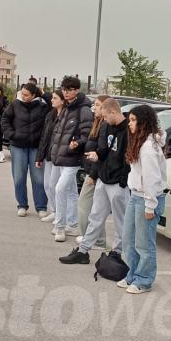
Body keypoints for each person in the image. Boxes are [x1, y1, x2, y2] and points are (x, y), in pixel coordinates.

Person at [60, 98, 130, 263]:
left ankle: (117, 253)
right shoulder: (106, 126)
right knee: (95, 216)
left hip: (118, 183)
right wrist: (97, 157)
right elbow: (104, 150)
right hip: (104, 179)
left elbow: (128, 159)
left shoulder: (128, 130)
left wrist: (122, 182)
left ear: (113, 112)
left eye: (106, 116)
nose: (104, 120)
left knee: (120, 221)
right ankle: (83, 251)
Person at [118, 105, 167, 294]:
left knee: (144, 243)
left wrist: (150, 205)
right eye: (129, 120)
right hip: (136, 196)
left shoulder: (148, 147)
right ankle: (133, 274)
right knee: (128, 239)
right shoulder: (140, 143)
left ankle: (144, 280)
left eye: (132, 120)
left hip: (147, 199)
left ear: (143, 122)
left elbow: (152, 179)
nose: (129, 124)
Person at [48, 76, 93, 239]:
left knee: (60, 189)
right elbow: (58, 132)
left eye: (69, 90)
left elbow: (87, 134)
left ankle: (60, 226)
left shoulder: (84, 110)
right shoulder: (67, 108)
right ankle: (73, 224)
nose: (65, 93)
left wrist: (77, 143)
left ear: (76, 90)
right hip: (60, 156)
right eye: (64, 89)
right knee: (71, 191)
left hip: (72, 158)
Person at [1, 82, 50, 217]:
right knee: (19, 177)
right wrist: (12, 135)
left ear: (34, 95)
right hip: (18, 147)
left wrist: (44, 93)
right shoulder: (15, 105)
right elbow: (5, 119)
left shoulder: (43, 106)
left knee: (39, 179)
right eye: (22, 93)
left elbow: (54, 104)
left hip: (36, 148)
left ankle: (41, 207)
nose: (23, 96)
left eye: (26, 94)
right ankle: (22, 205)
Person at [76, 94, 110, 247]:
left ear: (105, 108)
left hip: (95, 174)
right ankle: (97, 240)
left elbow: (101, 153)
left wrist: (93, 175)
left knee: (85, 206)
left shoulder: (104, 126)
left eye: (97, 105)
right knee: (94, 209)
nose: (94, 108)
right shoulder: (98, 123)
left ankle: (93, 239)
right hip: (92, 171)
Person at [37, 90, 66, 223]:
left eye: (55, 98)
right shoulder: (50, 114)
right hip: (48, 154)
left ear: (62, 100)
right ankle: (54, 210)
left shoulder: (66, 115)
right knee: (47, 185)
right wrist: (40, 156)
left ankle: (60, 213)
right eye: (52, 98)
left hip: (59, 157)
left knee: (56, 185)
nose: (52, 100)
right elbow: (44, 137)